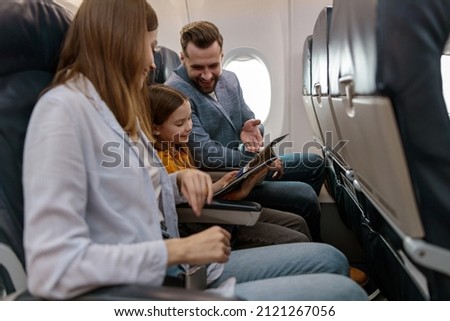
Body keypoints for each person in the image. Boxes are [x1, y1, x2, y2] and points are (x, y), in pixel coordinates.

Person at [22, 0, 367, 300]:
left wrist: (180, 179)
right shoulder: (63, 111)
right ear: (119, 43)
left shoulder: (115, 110)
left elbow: (136, 193)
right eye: (150, 46)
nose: (152, 62)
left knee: (331, 259)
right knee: (345, 293)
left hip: (179, 269)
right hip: (148, 289)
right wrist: (178, 249)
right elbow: (52, 267)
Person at [165, 20, 325, 242]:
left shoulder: (230, 79)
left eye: (213, 65)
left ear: (222, 56)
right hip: (226, 176)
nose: (207, 75)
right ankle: (315, 251)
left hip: (246, 164)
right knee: (304, 196)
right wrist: (260, 160)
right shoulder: (175, 93)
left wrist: (251, 128)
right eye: (198, 68)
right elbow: (207, 154)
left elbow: (250, 120)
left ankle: (294, 233)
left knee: (315, 164)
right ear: (183, 58)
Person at [148, 83, 312, 249]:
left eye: (190, 119)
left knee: (297, 222)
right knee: (297, 234)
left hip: (214, 208)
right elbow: (187, 204)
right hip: (205, 222)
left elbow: (198, 190)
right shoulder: (161, 161)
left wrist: (231, 185)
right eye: (180, 123)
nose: (189, 127)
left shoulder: (180, 148)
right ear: (155, 129)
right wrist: (235, 192)